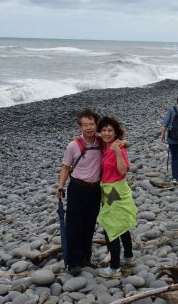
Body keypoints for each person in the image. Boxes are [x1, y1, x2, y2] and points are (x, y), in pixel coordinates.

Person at [56, 109, 103, 276]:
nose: (89, 127)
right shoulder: (73, 145)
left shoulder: (101, 141)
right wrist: (60, 186)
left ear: (96, 124)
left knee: (89, 224)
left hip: (95, 189)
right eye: (85, 125)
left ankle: (85, 257)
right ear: (80, 126)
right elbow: (65, 167)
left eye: (91, 124)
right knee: (74, 225)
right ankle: (73, 262)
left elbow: (118, 141)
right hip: (77, 188)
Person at [96, 116, 138, 278]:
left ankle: (114, 268)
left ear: (115, 133)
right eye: (104, 130)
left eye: (110, 130)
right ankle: (128, 257)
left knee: (111, 226)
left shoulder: (116, 148)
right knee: (120, 224)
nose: (106, 133)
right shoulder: (106, 145)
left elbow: (122, 171)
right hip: (109, 190)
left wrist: (118, 150)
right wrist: (123, 140)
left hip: (115, 190)